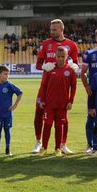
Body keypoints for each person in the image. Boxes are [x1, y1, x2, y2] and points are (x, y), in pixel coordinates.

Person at [32, 19, 79, 154]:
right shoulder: (46, 44)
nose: (51, 32)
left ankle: (62, 144)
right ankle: (38, 141)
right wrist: (45, 66)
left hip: (62, 87)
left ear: (61, 29)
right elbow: (38, 65)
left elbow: (74, 65)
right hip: (46, 85)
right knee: (39, 113)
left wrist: (73, 66)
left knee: (63, 118)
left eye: (54, 30)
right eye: (51, 29)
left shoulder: (72, 45)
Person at [39, 46, 77, 156]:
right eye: (58, 56)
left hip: (62, 105)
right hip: (49, 104)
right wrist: (42, 99)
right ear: (55, 56)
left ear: (67, 57)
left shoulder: (70, 70)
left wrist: (71, 101)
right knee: (47, 124)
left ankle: (57, 148)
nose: (60, 58)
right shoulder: (49, 69)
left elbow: (73, 87)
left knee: (59, 126)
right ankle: (44, 148)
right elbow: (44, 85)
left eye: (63, 56)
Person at [0, 65, 22, 156]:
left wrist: (15, 105)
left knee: (7, 130)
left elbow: (20, 93)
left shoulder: (9, 85)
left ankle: (7, 149)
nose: (7, 76)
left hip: (7, 113)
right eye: (5, 74)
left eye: (8, 74)